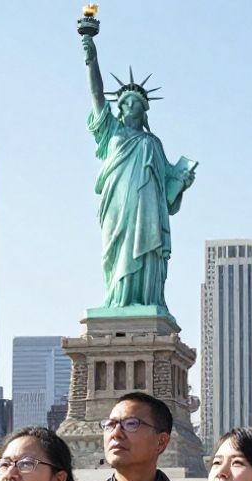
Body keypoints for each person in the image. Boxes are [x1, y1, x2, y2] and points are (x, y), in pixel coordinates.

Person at [82, 32, 196, 310]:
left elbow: (168, 186)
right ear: (120, 107)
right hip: (118, 206)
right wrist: (91, 58)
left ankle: (145, 300)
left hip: (148, 209)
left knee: (147, 252)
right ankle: (117, 300)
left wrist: (182, 181)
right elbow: (97, 95)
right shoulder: (112, 132)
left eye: (140, 103)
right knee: (117, 251)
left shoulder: (153, 142)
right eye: (130, 101)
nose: (134, 105)